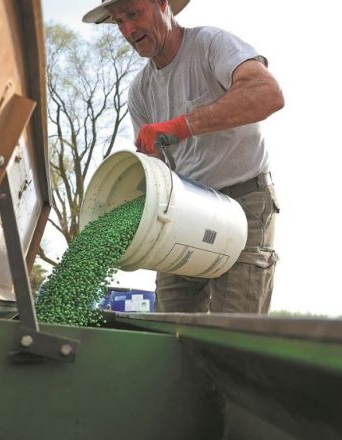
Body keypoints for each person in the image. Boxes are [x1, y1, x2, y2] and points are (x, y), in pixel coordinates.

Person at [83, 0, 284, 314]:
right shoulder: (140, 91)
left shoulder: (210, 44)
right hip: (184, 208)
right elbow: (157, 169)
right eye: (119, 21)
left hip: (243, 201)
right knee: (170, 323)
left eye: (133, 14)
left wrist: (182, 125)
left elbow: (266, 93)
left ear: (163, 4)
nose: (128, 30)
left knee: (233, 331)